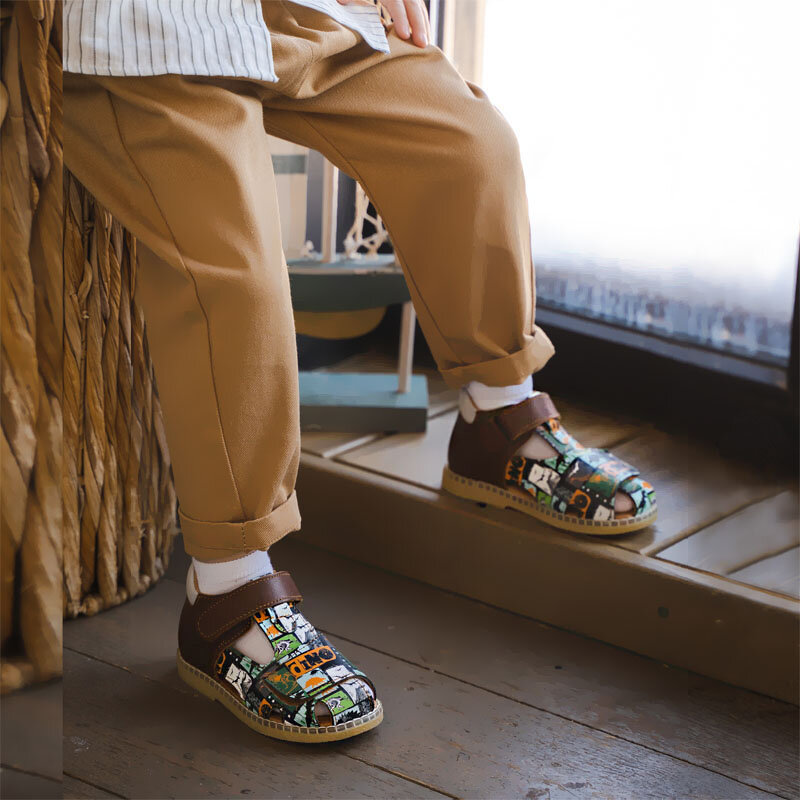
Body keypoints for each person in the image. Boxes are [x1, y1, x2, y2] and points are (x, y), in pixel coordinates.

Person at [63, 0, 656, 743]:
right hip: (135, 33)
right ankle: (227, 591)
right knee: (237, 276)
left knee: (470, 142)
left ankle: (498, 415)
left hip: (277, 9)